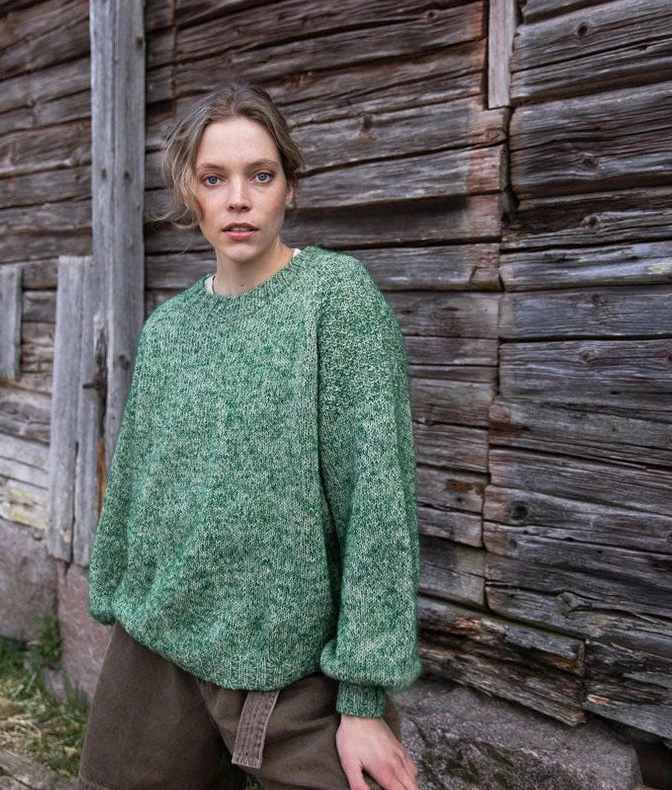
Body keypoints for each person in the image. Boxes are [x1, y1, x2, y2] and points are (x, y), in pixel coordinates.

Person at [77, 81, 422, 790]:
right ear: (189, 193)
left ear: (289, 187)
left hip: (291, 669)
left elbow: (379, 506)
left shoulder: (334, 301)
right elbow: (138, 479)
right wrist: (112, 592)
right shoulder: (169, 330)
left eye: (260, 175)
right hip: (157, 647)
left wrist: (361, 699)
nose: (238, 199)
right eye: (215, 178)